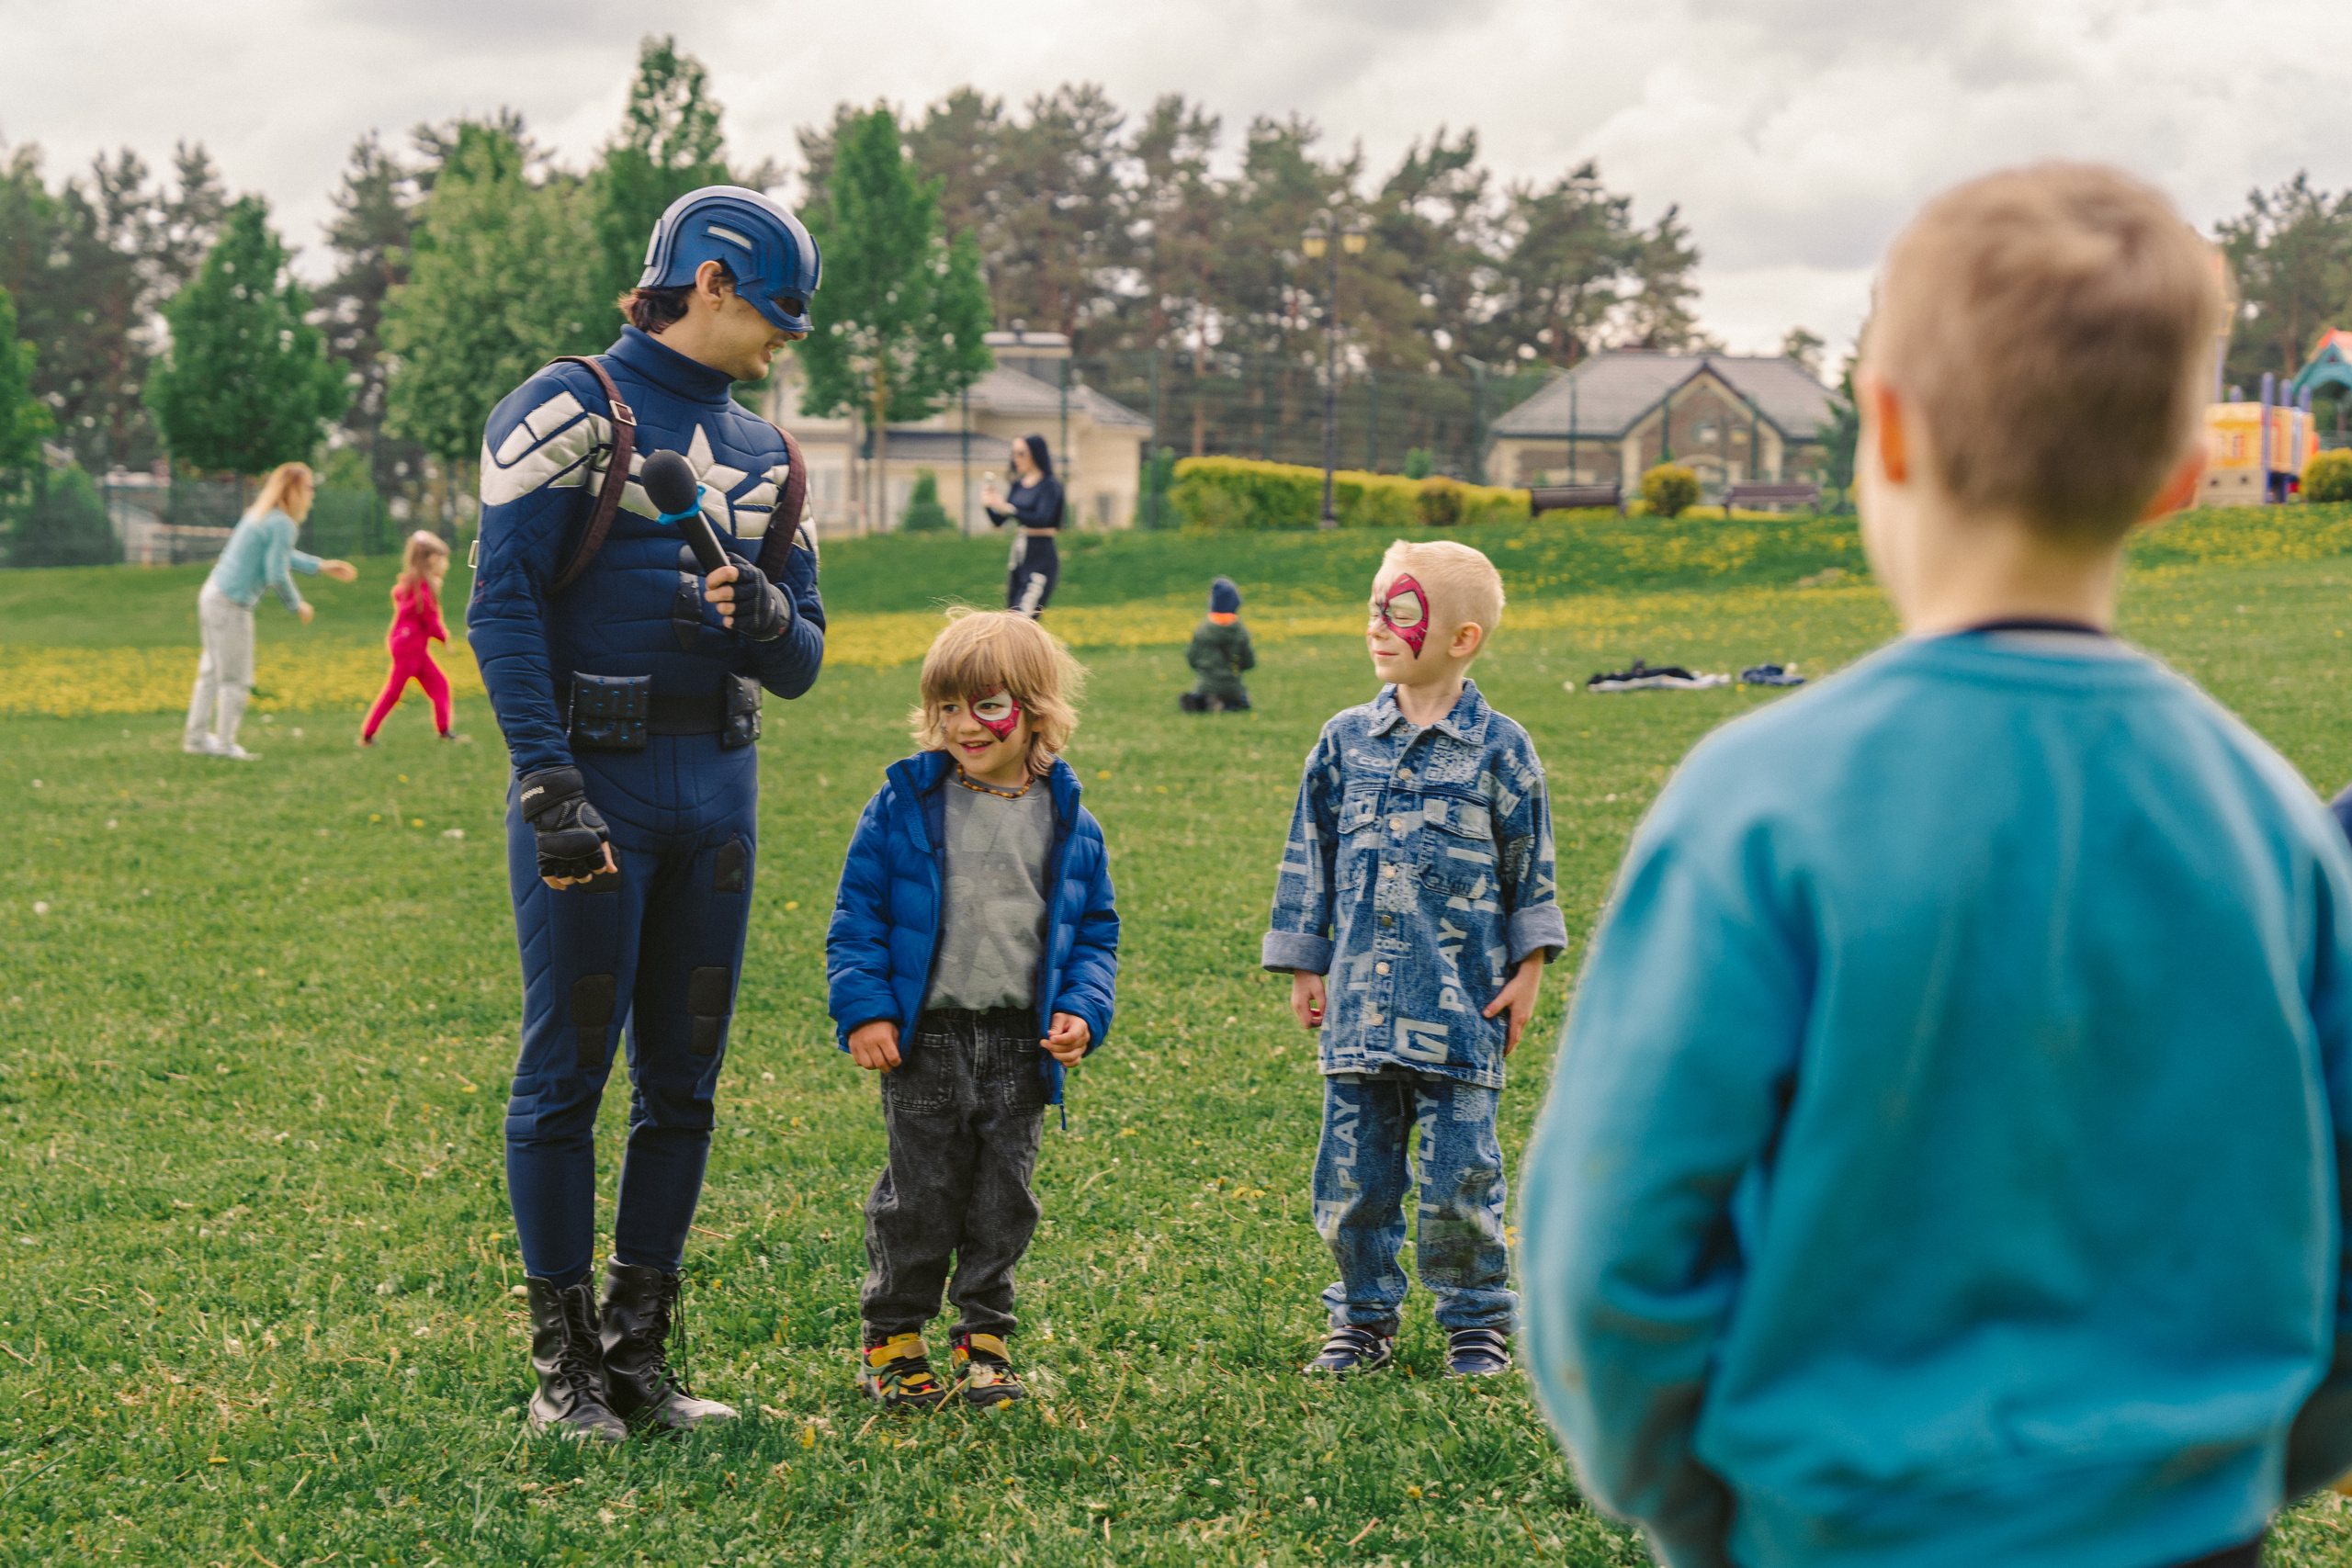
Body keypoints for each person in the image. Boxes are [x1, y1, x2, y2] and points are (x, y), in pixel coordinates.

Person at [1518, 164, 2352, 1568]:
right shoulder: (2272, 822)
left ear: (1886, 428)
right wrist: (2254, 1465)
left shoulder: (1757, 804)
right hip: (2184, 1532)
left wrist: (1692, 1498)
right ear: (2181, 474)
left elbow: (1612, 1238)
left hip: (1828, 1523)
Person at [468, 186, 825, 1443]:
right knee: (566, 1072)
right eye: (777, 313)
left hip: (718, 799)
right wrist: (545, 774)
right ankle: (562, 1368)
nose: (787, 339)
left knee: (686, 1083)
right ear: (714, 283)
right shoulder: (566, 406)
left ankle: (638, 1356)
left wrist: (767, 618)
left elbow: (804, 661)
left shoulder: (774, 457)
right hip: (595, 790)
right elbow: (501, 602)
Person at [1262, 539, 1565, 1381]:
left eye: (1401, 611)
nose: (1378, 625)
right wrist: (1305, 961)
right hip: (1359, 1004)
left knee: (1463, 1178)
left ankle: (1476, 1321)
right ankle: (1361, 1317)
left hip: (1463, 1008)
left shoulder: (1501, 749)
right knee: (1353, 1182)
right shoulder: (1344, 742)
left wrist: (1530, 968)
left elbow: (1529, 865)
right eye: (1374, 605)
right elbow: (1309, 853)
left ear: (1461, 637)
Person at [826, 610, 1117, 1410]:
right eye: (946, 706)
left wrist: (1083, 1010)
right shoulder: (903, 807)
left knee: (1003, 1198)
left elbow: (1095, 930)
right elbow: (858, 914)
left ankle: (984, 1339)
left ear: (1034, 707)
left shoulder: (1069, 821)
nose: (962, 724)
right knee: (918, 1196)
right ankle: (894, 1337)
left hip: (1021, 1043)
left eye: (984, 704)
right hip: (929, 1039)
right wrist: (866, 1011)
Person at [182, 461, 357, 760]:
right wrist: (296, 603)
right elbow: (276, 571)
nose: (312, 494)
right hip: (230, 605)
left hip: (213, 595)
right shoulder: (282, 523)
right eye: (309, 487)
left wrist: (321, 566)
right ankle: (224, 745)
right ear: (294, 490)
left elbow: (282, 554)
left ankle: (196, 740)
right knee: (235, 679)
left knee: (211, 673)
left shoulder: (261, 515)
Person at [358, 531, 456, 746]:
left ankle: (445, 731)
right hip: (408, 647)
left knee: (439, 685)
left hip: (413, 647)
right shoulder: (422, 587)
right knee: (394, 691)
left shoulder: (417, 583)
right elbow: (429, 619)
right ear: (431, 559)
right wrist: (444, 638)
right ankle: (368, 734)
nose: (445, 565)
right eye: (443, 560)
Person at [980, 434, 1064, 617]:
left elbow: (1042, 518)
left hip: (1041, 554)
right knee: (1011, 617)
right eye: (1014, 453)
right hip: (1020, 554)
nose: (1015, 458)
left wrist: (1008, 508)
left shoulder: (1050, 485)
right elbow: (999, 521)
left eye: (1021, 453)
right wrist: (990, 506)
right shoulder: (1018, 485)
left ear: (1035, 454)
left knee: (1023, 619)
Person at [1180, 576, 1255, 713]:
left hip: (1206, 685)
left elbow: (1191, 658)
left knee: (1200, 695)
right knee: (1237, 696)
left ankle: (1205, 701)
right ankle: (1233, 702)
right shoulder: (1241, 632)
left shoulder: (1202, 631)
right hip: (1233, 686)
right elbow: (1249, 662)